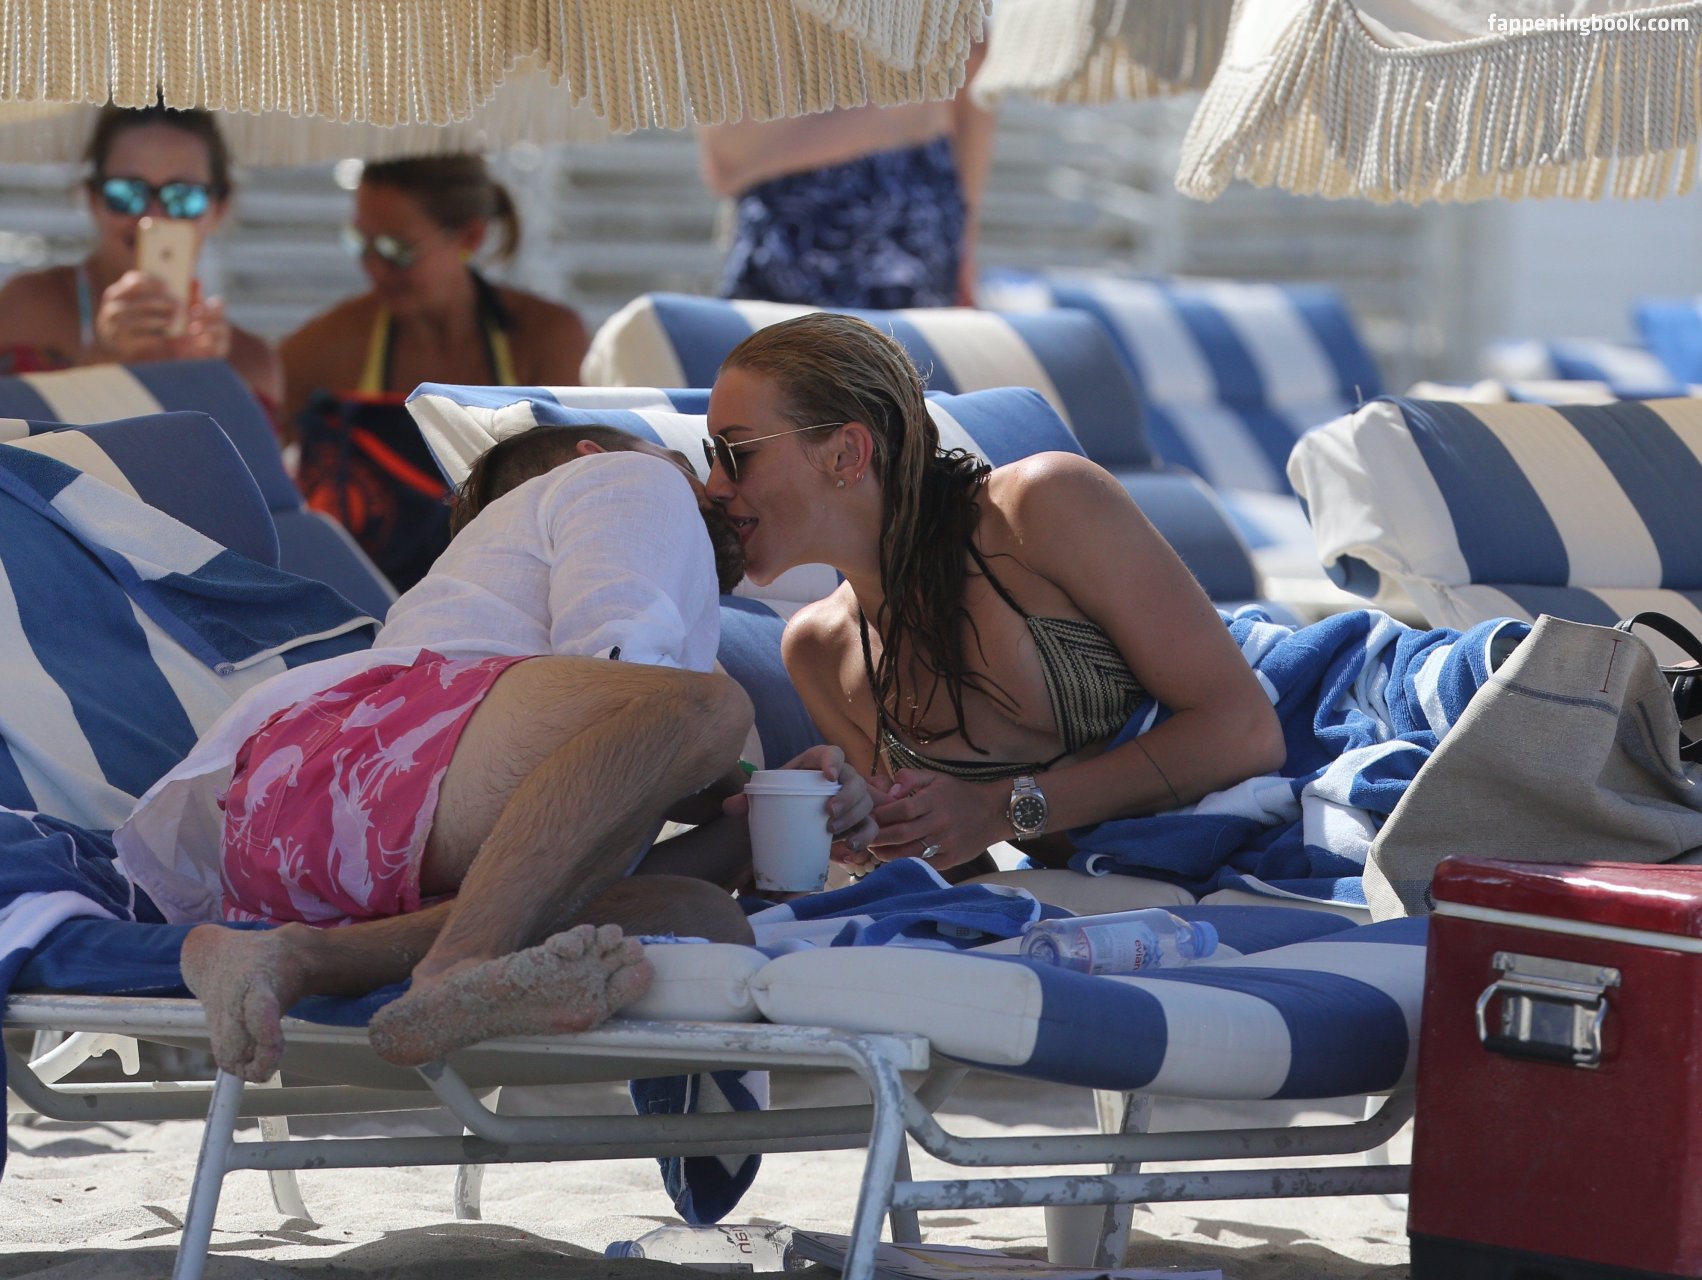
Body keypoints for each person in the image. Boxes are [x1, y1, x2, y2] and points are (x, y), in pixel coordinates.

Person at [115, 423, 876, 1083]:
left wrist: (762, 814)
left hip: (321, 840)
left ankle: (295, 959)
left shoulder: (570, 659)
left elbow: (605, 801)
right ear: (590, 456)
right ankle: (457, 965)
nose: (712, 487)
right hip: (359, 759)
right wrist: (726, 761)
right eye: (688, 462)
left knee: (701, 917)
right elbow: (622, 659)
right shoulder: (626, 477)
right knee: (708, 707)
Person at [701, 312, 1285, 883]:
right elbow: (957, 875)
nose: (715, 487)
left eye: (736, 454)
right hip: (1142, 873)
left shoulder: (1040, 507)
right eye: (710, 459)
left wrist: (1002, 808)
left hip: (1301, 758)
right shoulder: (820, 652)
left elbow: (1246, 731)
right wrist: (866, 825)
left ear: (846, 454)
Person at [280, 154, 591, 592]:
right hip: (363, 601)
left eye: (397, 250)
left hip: (503, 594)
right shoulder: (330, 344)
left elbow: (573, 494)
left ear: (470, 237)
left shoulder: (545, 337)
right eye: (361, 243)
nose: (374, 267)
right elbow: (257, 473)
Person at [0, 103, 282, 405]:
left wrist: (210, 380)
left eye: (183, 197)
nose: (152, 216)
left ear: (219, 209)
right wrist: (103, 358)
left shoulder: (249, 361)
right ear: (93, 200)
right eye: (126, 194)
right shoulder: (29, 307)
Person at [697, 40, 994, 309]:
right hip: (833, 240)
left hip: (904, 235)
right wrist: (900, 115)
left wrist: (964, 244)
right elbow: (727, 163)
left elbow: (973, 61)